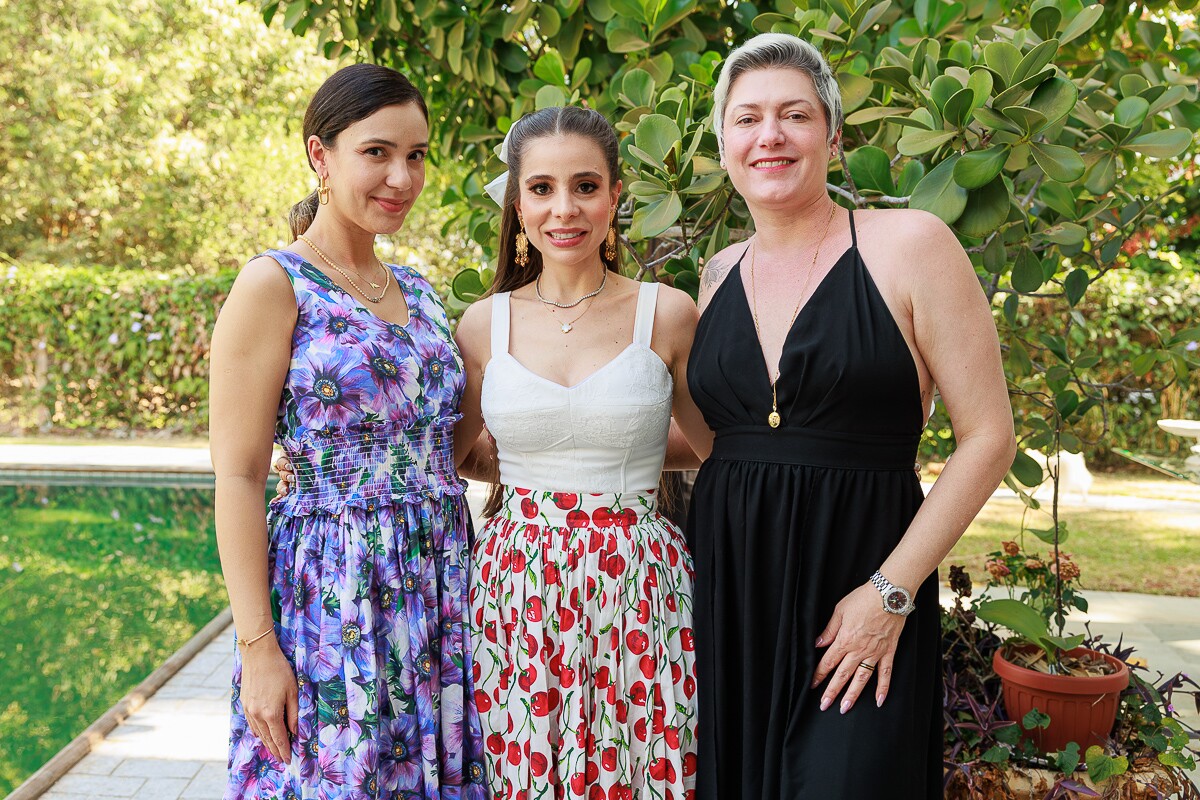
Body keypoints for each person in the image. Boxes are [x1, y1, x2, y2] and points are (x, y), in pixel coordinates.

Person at [686, 34, 1016, 798]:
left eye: (794, 115)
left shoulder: (911, 246)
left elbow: (989, 438)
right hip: (732, 592)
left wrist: (890, 593)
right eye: (747, 119)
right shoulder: (718, 273)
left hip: (862, 583)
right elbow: (718, 439)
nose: (769, 135)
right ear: (725, 146)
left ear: (833, 137)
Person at [209, 63, 487, 799]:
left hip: (442, 585)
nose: (402, 175)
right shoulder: (275, 285)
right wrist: (258, 647)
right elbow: (237, 475)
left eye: (418, 154)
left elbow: (446, 445)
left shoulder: (424, 292)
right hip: (334, 592)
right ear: (319, 156)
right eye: (377, 152)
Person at [453, 107, 710, 799]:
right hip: (517, 586)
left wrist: (617, 460)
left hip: (639, 581)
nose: (563, 209)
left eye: (586, 186)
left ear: (616, 195)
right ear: (517, 201)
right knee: (524, 769)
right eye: (540, 188)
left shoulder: (669, 312)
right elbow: (458, 455)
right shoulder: (484, 324)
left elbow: (718, 450)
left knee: (641, 765)